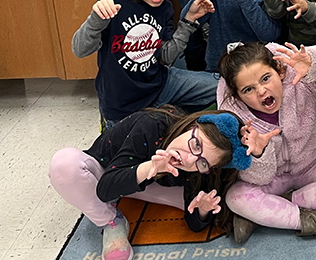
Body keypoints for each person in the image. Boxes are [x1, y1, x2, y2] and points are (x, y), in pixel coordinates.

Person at [49, 107, 251, 260]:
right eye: (195, 143)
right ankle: (110, 221)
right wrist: (147, 169)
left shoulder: (199, 167)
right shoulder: (151, 125)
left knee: (214, 203)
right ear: (192, 126)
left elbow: (194, 223)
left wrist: (202, 210)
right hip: (107, 171)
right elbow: (104, 189)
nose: (189, 159)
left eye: (203, 162)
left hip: (148, 184)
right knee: (64, 165)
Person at [217, 42, 316, 244]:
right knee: (235, 197)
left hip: (312, 163)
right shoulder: (234, 119)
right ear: (237, 96)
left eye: (266, 78)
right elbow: (258, 178)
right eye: (248, 89)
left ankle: (272, 213)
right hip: (272, 177)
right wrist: (260, 153)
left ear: (280, 71)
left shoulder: (300, 80)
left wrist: (314, 63)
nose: (261, 91)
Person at [72, 0, 219, 128]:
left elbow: (166, 57)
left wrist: (189, 20)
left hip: (161, 84)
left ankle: (172, 117)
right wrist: (96, 19)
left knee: (225, 87)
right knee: (133, 151)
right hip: (121, 105)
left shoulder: (165, 7)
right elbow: (79, 50)